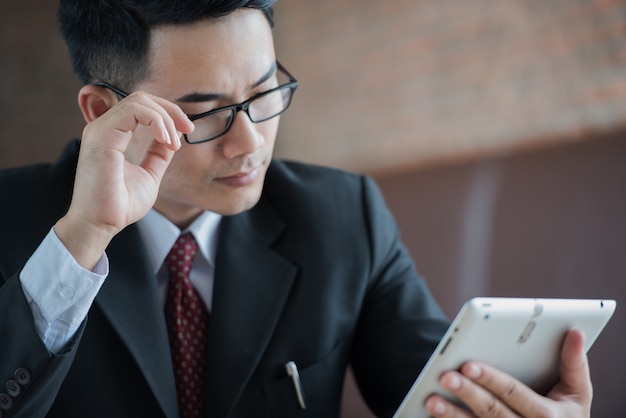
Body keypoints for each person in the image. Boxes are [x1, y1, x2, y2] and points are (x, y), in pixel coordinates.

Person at [0, 1, 593, 417]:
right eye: (203, 113)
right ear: (103, 110)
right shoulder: (12, 221)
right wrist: (83, 240)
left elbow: (434, 387)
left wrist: (511, 406)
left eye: (263, 93)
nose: (251, 142)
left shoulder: (342, 215)